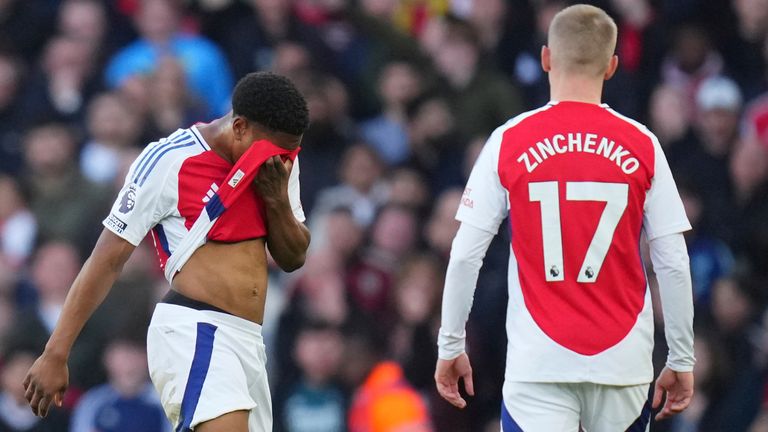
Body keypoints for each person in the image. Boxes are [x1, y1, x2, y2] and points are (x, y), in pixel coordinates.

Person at [435, 5, 696, 431]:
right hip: (622, 362)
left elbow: (465, 254)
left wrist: (451, 344)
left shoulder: (509, 140)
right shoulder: (642, 144)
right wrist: (681, 356)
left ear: (546, 59)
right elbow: (673, 261)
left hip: (540, 362)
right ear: (611, 66)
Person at [22, 71, 311, 432]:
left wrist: (277, 200)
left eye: (291, 151)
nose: (284, 159)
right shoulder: (169, 160)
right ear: (239, 127)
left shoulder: (279, 162)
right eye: (277, 150)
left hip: (249, 339)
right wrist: (55, 352)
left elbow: (292, 257)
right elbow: (106, 260)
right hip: (195, 327)